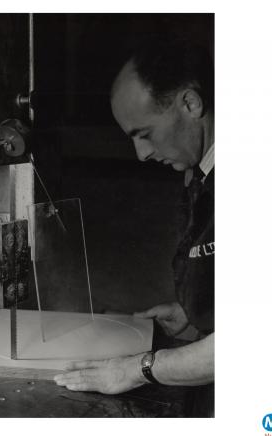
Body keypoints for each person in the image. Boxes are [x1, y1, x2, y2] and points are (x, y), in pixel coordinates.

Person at [53, 40, 215, 413]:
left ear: (190, 104)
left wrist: (138, 369)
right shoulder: (203, 175)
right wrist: (197, 318)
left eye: (145, 134)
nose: (141, 155)